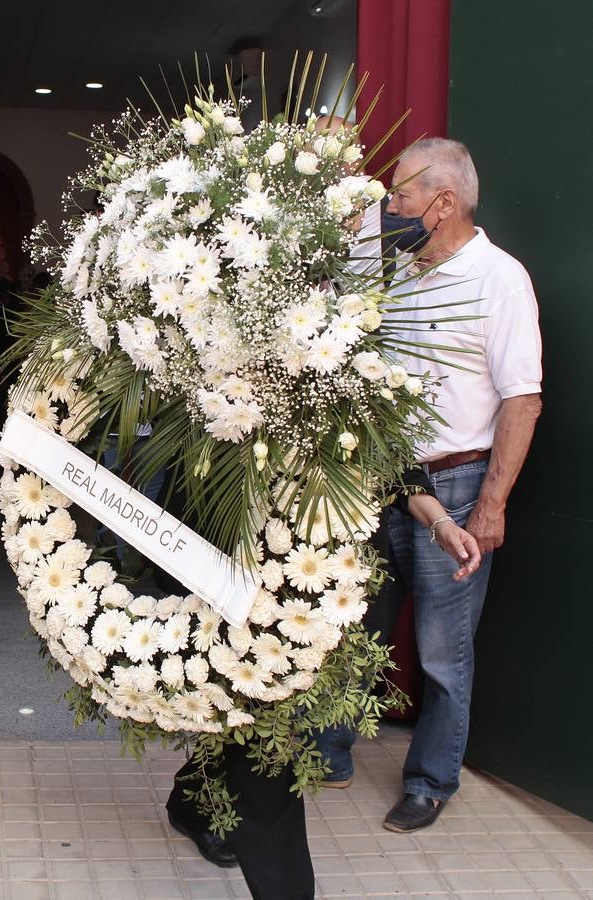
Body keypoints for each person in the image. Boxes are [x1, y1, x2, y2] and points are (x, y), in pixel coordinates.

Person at [316, 138, 543, 833]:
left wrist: (492, 505)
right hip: (383, 478)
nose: (392, 206)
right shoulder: (396, 266)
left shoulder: (499, 279)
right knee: (358, 628)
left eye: (402, 196)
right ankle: (329, 749)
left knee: (444, 649)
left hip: (461, 483)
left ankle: (432, 779)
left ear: (444, 204)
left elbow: (522, 400)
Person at [166, 479, 483, 899]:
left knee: (255, 719)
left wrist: (439, 521)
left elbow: (394, 467)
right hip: (254, 561)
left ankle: (192, 799)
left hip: (345, 576)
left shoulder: (366, 417)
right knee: (265, 736)